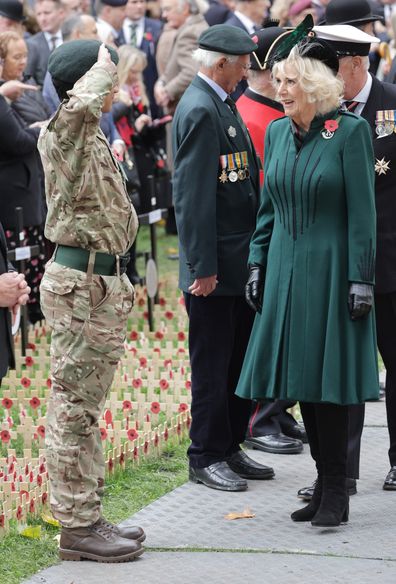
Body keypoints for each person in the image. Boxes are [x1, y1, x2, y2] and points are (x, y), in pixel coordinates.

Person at [235, 17, 379, 527]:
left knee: (329, 383)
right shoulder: (276, 132)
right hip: (284, 273)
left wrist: (362, 277)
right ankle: (324, 482)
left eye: (290, 82)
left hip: (333, 273)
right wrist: (256, 261)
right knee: (300, 381)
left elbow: (365, 213)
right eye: (279, 81)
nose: (281, 89)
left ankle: (336, 489)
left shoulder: (352, 133)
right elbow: (268, 209)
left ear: (315, 87)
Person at [38, 40, 143, 562]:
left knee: (85, 407)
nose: (115, 84)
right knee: (73, 410)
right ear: (87, 83)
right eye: (108, 77)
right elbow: (81, 104)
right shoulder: (63, 129)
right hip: (81, 288)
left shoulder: (87, 134)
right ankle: (76, 527)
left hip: (98, 285)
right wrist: (103, 63)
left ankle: (88, 515)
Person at [173, 24, 274, 492]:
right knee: (212, 366)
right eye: (240, 66)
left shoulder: (221, 103)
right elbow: (192, 199)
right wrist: (202, 267)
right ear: (220, 65)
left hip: (235, 263)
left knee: (236, 361)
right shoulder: (199, 108)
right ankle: (205, 453)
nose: (245, 74)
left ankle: (230, 445)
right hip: (214, 269)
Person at [313, 20, 396, 493]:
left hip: (390, 256)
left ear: (356, 64)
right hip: (339, 263)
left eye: (330, 70)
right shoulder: (322, 115)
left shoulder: (392, 104)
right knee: (341, 370)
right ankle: (337, 474)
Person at [236, 24, 307, 455]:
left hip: (284, 235)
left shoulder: (272, 114)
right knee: (266, 333)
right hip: (264, 239)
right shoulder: (253, 116)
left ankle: (277, 410)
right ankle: (259, 418)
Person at [0, 32, 47, 325]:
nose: (23, 63)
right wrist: (40, 130)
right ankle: (24, 322)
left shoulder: (17, 90)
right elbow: (16, 140)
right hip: (12, 192)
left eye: (25, 56)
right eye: (16, 57)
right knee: (22, 260)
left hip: (27, 186)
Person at [120, 0, 163, 118]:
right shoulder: (116, 28)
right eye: (134, 2)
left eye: (142, 1)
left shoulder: (157, 27)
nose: (139, 6)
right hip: (124, 96)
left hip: (151, 92)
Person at [25, 0, 66, 86]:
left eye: (47, 13)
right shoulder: (31, 44)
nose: (42, 19)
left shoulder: (71, 37)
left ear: (61, 13)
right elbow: (28, 79)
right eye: (38, 14)